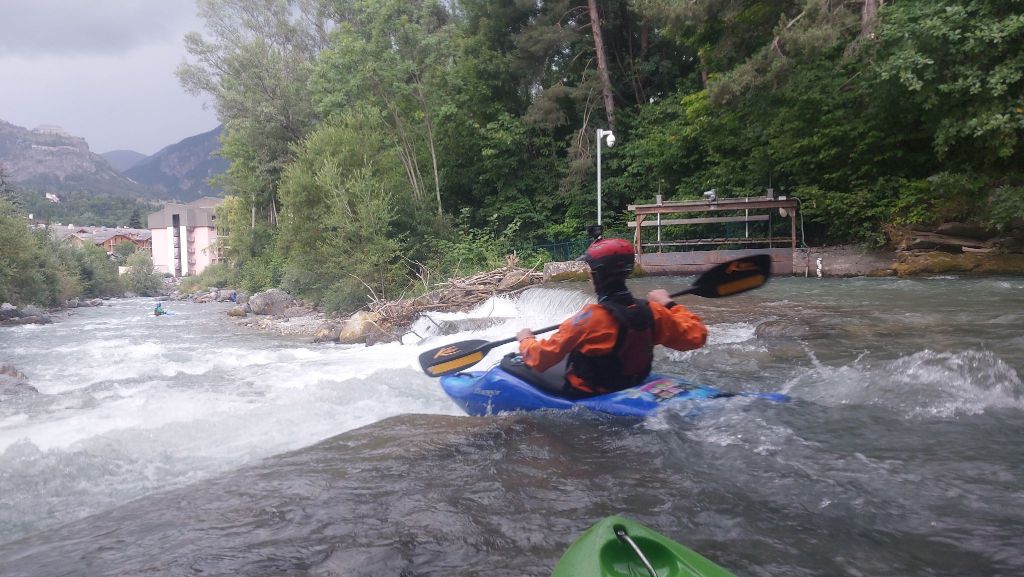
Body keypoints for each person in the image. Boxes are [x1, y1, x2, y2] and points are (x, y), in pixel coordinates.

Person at [515, 237, 707, 397]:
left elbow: (540, 359)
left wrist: (526, 340)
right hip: (633, 381)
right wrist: (668, 304)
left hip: (592, 393)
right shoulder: (653, 311)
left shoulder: (588, 319)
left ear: (596, 276)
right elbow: (697, 336)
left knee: (512, 365)